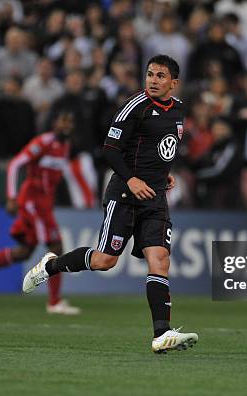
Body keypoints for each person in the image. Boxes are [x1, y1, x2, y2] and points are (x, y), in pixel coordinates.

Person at [22, 55, 198, 353]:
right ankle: (51, 266)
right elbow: (110, 149)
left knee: (160, 260)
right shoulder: (135, 106)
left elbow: (162, 148)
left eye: (160, 76)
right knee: (106, 260)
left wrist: (164, 176)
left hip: (155, 198)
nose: (153, 80)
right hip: (125, 195)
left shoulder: (179, 111)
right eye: (150, 74)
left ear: (173, 83)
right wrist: (131, 179)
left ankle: (161, 334)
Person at [0, 109, 80, 315]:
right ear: (54, 122)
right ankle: (54, 302)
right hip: (33, 202)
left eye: (69, 121)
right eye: (62, 120)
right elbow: (15, 164)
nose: (66, 125)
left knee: (24, 252)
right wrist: (11, 197)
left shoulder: (65, 146)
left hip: (44, 204)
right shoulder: (43, 143)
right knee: (56, 246)